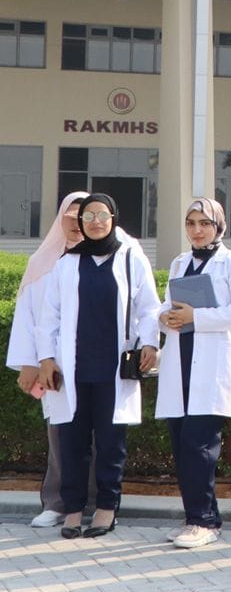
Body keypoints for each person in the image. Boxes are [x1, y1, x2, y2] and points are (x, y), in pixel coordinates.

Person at [33, 192, 160, 538]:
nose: (95, 222)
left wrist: (150, 342)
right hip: (72, 368)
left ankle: (106, 507)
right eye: (88, 217)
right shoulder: (67, 263)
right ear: (81, 222)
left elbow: (149, 306)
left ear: (113, 218)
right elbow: (49, 317)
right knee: (72, 441)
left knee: (110, 442)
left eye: (102, 215)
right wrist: (46, 358)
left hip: (113, 368)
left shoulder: (131, 257)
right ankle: (73, 509)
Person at [154, 198, 231, 549]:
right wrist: (164, 316)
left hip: (212, 364)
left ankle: (203, 521)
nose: (197, 230)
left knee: (199, 446)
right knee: (181, 445)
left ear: (219, 226)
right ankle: (198, 518)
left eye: (205, 223)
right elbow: (166, 303)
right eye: (191, 223)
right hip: (180, 361)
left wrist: (195, 317)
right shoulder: (179, 262)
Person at [6, 191, 88, 528]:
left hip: (95, 361)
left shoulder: (109, 258)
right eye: (69, 216)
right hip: (53, 363)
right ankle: (56, 503)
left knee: (99, 437)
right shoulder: (42, 262)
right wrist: (30, 362)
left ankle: (96, 504)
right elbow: (27, 316)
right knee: (60, 433)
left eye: (83, 216)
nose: (76, 223)